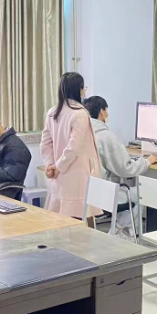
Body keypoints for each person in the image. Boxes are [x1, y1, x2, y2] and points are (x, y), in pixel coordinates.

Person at [84, 96, 157, 237]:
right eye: (107, 110)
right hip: (105, 195)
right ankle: (122, 232)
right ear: (102, 112)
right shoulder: (106, 137)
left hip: (89, 193)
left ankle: (121, 229)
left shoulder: (82, 134)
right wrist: (147, 161)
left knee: (126, 189)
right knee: (143, 192)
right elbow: (126, 168)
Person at [40, 72, 102, 219]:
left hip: (58, 175)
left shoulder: (53, 112)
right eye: (83, 88)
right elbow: (73, 147)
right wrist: (58, 166)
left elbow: (45, 143)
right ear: (79, 89)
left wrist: (51, 165)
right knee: (81, 217)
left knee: (60, 219)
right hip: (76, 174)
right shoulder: (79, 114)